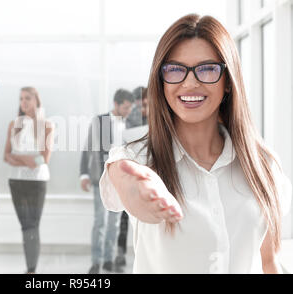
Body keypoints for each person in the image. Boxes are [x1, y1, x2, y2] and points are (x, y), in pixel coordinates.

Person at [99, 14, 292, 274]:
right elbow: (123, 176)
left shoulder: (263, 165)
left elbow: (268, 262)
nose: (190, 83)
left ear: (227, 82)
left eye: (207, 68)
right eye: (175, 70)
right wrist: (136, 190)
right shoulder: (138, 159)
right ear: (161, 81)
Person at [80, 88, 134, 274]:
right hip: (100, 178)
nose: (128, 111)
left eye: (130, 108)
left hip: (121, 179)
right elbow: (87, 148)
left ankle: (109, 260)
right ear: (116, 104)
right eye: (126, 107)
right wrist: (84, 174)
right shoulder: (99, 121)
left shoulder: (131, 125)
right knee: (100, 221)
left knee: (115, 223)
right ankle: (96, 262)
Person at [4, 87, 54, 274]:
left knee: (33, 224)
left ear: (36, 101)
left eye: (27, 98)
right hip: (16, 181)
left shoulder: (46, 125)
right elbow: (6, 156)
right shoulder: (13, 125)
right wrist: (27, 159)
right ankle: (29, 267)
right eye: (21, 99)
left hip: (36, 182)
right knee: (25, 225)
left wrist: (20, 158)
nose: (23, 102)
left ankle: (31, 269)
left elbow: (43, 160)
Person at [115, 86, 149, 270]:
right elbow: (121, 141)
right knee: (123, 218)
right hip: (130, 169)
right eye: (138, 103)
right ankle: (120, 253)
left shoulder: (156, 116)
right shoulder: (129, 119)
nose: (140, 107)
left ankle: (144, 254)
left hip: (149, 171)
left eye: (143, 103)